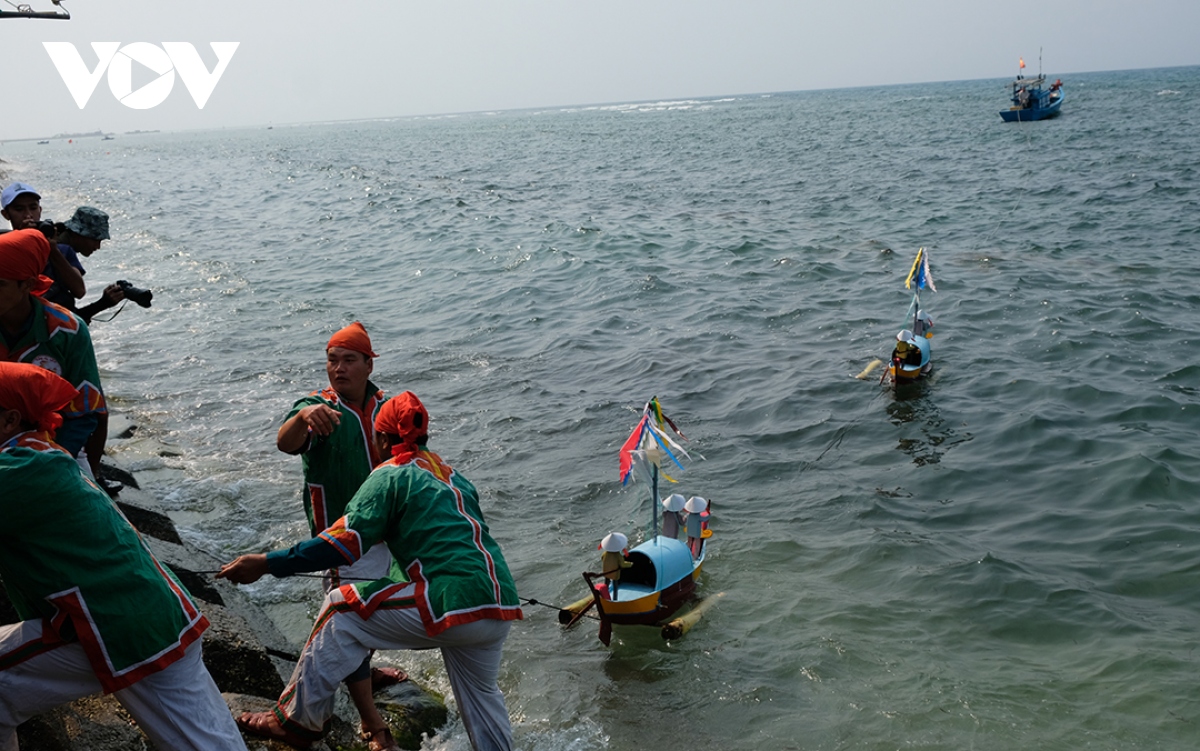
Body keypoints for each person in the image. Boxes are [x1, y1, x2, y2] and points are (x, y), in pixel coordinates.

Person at [219, 391, 524, 751]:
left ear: (381, 438)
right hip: (499, 604)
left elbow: (341, 544)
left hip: (452, 602)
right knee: (481, 697)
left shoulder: (391, 474)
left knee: (339, 608)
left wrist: (268, 563)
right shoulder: (454, 477)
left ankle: (297, 720)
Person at [0, 361, 247, 751]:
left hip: (116, 628)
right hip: (153, 614)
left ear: (9, 420)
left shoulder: (19, 472)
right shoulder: (39, 454)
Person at [274, 321, 408, 741]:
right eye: (332, 361)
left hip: (388, 533)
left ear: (369, 364)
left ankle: (365, 670)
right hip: (341, 537)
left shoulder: (387, 407)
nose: (339, 369)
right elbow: (286, 442)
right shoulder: (319, 409)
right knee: (346, 614)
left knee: (369, 605)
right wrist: (301, 416)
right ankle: (372, 721)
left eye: (349, 360)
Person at [0, 228, 107, 481]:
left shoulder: (67, 330)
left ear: (26, 284)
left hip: (56, 445)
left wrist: (50, 461)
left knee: (86, 508)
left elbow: (83, 411)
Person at [1, 182, 86, 312]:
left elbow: (79, 291)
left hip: (56, 321)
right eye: (19, 209)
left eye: (33, 208)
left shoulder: (62, 250)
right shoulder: (4, 250)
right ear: (6, 214)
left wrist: (52, 251)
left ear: (40, 210)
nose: (28, 215)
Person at [599, 532, 633, 599]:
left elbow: (602, 558)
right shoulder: (618, 555)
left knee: (606, 585)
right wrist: (630, 564)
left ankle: (604, 597)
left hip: (606, 572)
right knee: (615, 586)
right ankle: (615, 599)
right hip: (614, 573)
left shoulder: (605, 553)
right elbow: (622, 564)